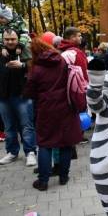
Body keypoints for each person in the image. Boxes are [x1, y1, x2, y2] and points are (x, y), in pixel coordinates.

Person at [24, 39, 82, 191]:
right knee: (65, 143)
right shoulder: (62, 62)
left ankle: (43, 181)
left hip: (46, 110)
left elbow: (30, 92)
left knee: (45, 144)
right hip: (66, 109)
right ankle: (63, 177)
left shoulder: (36, 69)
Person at [0, 28, 36, 166]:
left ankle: (30, 152)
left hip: (22, 95)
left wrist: (22, 65)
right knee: (8, 127)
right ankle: (12, 152)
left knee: (26, 126)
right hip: (3, 96)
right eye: (7, 39)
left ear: (18, 39)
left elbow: (36, 67)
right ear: (3, 40)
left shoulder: (25, 49)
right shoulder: (1, 52)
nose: (10, 42)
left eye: (13, 39)